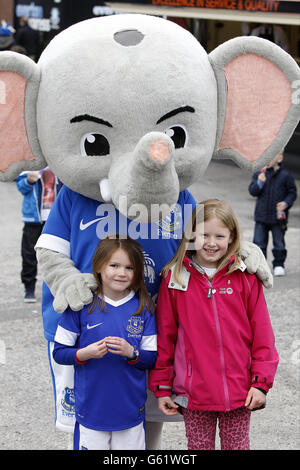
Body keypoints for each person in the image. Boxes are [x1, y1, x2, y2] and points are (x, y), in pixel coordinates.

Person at [149, 199, 279, 450]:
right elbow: (166, 337)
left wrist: (261, 383)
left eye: (219, 235)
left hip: (239, 392)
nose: (211, 242)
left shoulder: (246, 278)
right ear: (190, 236)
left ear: (231, 237)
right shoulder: (174, 278)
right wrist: (163, 386)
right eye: (203, 235)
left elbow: (263, 336)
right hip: (194, 393)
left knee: (237, 446)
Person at [53, 234, 157, 450]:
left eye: (129, 267)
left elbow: (152, 358)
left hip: (130, 411)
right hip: (91, 410)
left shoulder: (143, 308)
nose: (122, 273)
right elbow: (60, 352)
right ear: (99, 266)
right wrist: (84, 353)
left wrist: (132, 353)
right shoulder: (81, 304)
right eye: (114, 265)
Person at [248, 151, 297, 277]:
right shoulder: (260, 174)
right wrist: (259, 183)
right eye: (264, 157)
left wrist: (286, 203)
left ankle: (279, 264)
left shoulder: (286, 176)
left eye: (270, 157)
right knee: (259, 243)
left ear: (279, 158)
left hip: (278, 218)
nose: (267, 160)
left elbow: (292, 193)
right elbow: (253, 192)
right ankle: (261, 266)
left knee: (279, 242)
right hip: (261, 216)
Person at [16, 168, 61, 302]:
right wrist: (29, 181)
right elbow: (21, 188)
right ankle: (29, 288)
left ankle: (58, 288)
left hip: (55, 218)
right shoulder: (30, 165)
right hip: (33, 219)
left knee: (57, 254)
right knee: (29, 254)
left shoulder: (58, 164)